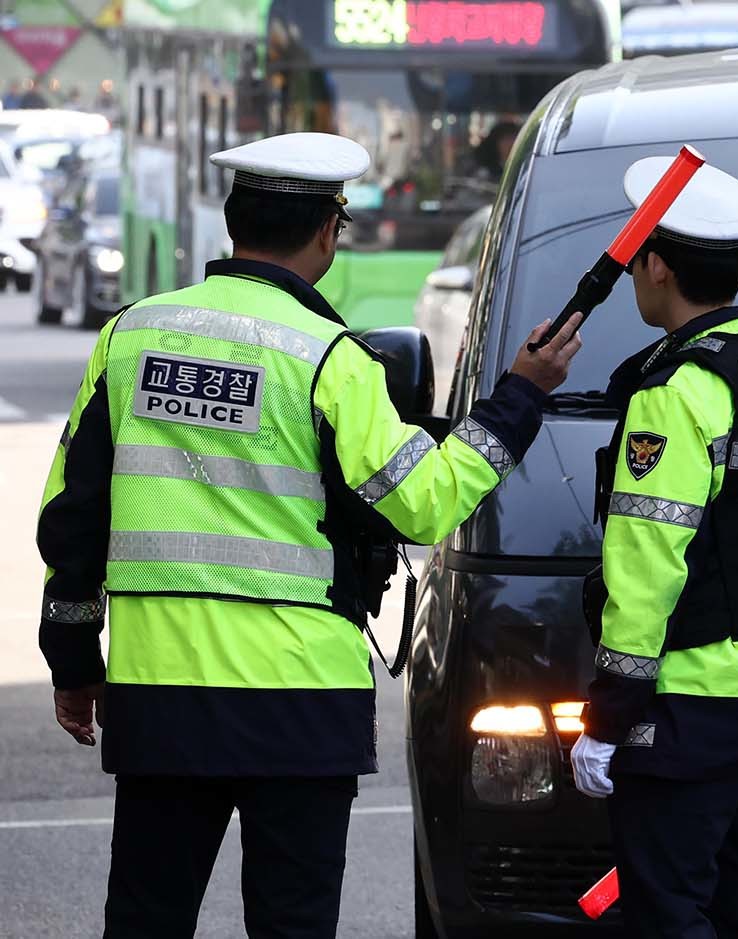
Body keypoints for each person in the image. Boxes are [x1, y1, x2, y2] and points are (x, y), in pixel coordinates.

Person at [35, 132, 583, 938]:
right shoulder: (332, 360)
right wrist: (519, 397)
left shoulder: (131, 337)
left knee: (146, 918)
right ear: (328, 232)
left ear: (232, 222)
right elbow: (425, 505)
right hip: (300, 705)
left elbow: (71, 523)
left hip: (161, 696)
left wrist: (76, 666)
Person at [570, 156, 738, 938]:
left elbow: (647, 567)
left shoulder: (675, 393)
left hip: (691, 701)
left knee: (665, 907)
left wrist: (607, 717)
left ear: (655, 265)